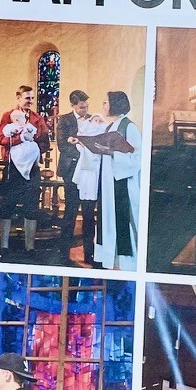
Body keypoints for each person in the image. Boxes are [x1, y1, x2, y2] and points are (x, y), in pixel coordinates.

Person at [70, 91, 140, 269]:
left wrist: (111, 153)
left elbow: (137, 158)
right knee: (107, 220)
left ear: (115, 104)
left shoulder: (128, 127)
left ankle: (126, 261)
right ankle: (109, 259)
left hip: (121, 182)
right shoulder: (110, 127)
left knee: (121, 220)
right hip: (108, 183)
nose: (103, 105)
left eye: (106, 102)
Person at [0, 86, 51, 256]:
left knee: (31, 206)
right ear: (18, 98)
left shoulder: (37, 118)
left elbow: (45, 142)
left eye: (32, 98)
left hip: (32, 168)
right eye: (27, 98)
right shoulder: (8, 116)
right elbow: (2, 138)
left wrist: (32, 144)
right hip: (13, 167)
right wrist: (20, 138)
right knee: (7, 205)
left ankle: (30, 247)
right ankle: (4, 246)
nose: (30, 101)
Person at [56, 90, 96, 264]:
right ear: (73, 105)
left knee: (88, 214)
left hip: (89, 172)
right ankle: (63, 254)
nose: (84, 110)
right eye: (81, 107)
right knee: (70, 213)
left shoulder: (93, 119)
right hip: (71, 170)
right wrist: (82, 154)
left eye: (86, 107)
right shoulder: (65, 120)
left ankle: (90, 255)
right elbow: (62, 145)